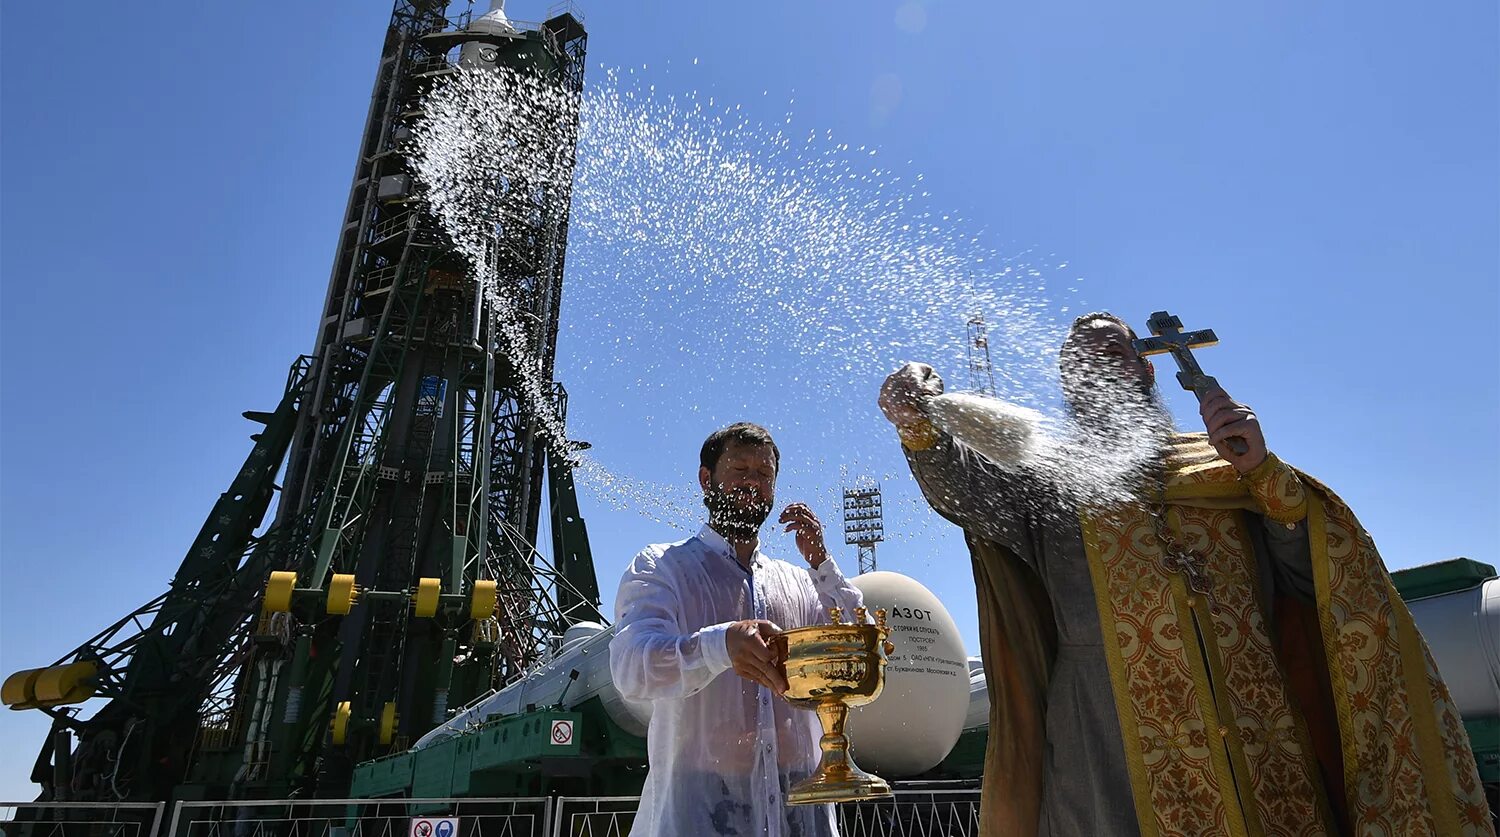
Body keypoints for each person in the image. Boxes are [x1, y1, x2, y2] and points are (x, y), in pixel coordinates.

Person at [879, 312, 1492, 837]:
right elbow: (968, 492)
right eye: (1079, 363)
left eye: (1114, 352)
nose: (1098, 369)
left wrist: (1267, 479)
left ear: (1148, 369)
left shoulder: (1224, 463)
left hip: (1255, 730)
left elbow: (1313, 583)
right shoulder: (1050, 481)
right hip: (1106, 731)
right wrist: (919, 425)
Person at [609, 422, 867, 837]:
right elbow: (631, 669)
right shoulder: (663, 567)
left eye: (765, 475)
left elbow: (862, 645)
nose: (753, 482)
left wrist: (822, 563)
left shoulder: (801, 582)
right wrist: (719, 646)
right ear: (706, 479)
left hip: (799, 809)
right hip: (695, 811)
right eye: (740, 469)